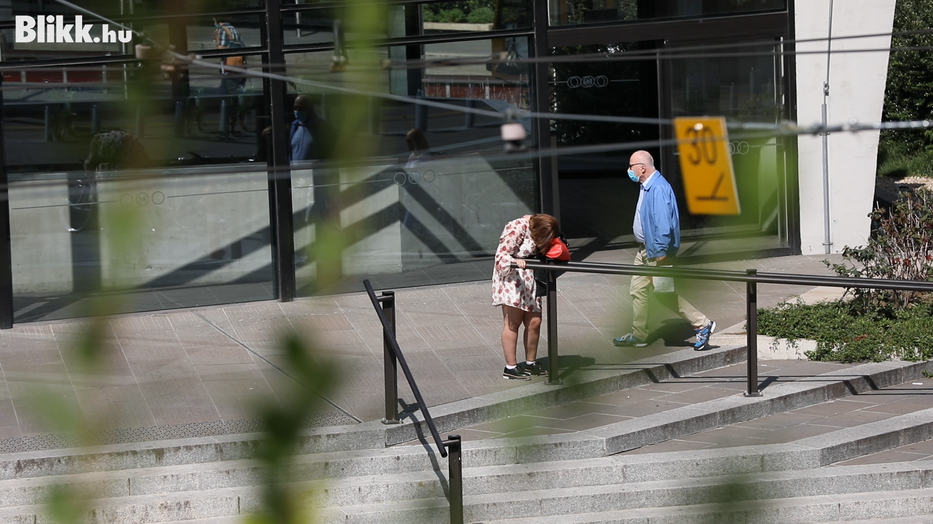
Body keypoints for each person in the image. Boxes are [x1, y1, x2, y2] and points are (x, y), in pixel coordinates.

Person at [612, 150, 717, 351]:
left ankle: (703, 324)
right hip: (645, 250)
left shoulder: (658, 188)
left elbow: (663, 224)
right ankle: (639, 334)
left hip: (656, 252)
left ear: (642, 167)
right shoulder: (647, 186)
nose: (629, 170)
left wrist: (660, 251)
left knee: (663, 293)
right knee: (637, 290)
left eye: (631, 166)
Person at [492, 214, 562, 379]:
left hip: (530, 280)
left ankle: (531, 363)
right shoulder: (516, 227)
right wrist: (515, 261)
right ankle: (510, 367)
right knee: (512, 323)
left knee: (535, 321)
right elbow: (501, 256)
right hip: (513, 281)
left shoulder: (539, 229)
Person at [214, 17, 246, 131]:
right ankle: (233, 121)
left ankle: (226, 126)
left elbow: (221, 48)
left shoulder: (222, 30)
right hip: (239, 66)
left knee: (224, 95)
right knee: (232, 94)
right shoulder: (234, 29)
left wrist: (217, 39)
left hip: (229, 68)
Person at [289, 95, 333, 161]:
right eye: (295, 108)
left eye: (301, 108)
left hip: (315, 170)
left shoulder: (324, 126)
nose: (297, 111)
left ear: (310, 109)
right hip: (295, 170)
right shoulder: (294, 126)